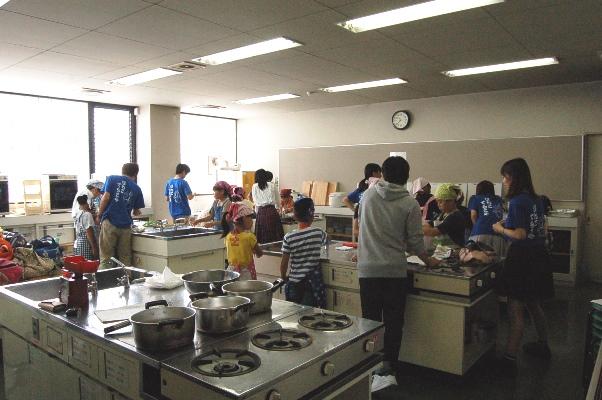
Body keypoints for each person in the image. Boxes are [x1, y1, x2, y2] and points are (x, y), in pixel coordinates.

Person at [358, 156, 440, 378]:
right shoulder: (409, 203)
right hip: (394, 272)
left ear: (384, 174)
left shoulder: (368, 196)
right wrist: (429, 260)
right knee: (393, 323)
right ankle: (388, 367)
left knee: (370, 321)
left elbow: (362, 228)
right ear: (406, 177)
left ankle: (370, 366)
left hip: (368, 270)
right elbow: (415, 242)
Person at [492, 158, 553, 376]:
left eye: (506, 176)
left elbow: (519, 234)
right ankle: (543, 345)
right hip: (539, 256)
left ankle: (509, 358)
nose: (504, 181)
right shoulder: (537, 199)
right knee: (534, 304)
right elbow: (537, 228)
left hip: (522, 259)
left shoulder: (517, 201)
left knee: (515, 308)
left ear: (514, 177)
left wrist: (499, 229)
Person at [280, 198, 327, 308]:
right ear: (312, 215)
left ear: (295, 216)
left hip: (294, 283)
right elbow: (327, 241)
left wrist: (283, 277)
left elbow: (284, 263)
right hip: (312, 283)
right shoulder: (318, 233)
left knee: (294, 313)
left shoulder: (289, 237)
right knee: (309, 313)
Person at [97, 163, 145, 268]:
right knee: (125, 257)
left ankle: (105, 278)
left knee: (106, 257)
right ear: (136, 174)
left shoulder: (112, 179)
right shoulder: (137, 188)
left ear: (122, 171)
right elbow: (136, 212)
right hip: (126, 227)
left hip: (110, 222)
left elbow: (105, 198)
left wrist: (99, 214)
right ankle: (126, 277)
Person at [221, 202, 263, 280]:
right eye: (250, 218)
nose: (252, 221)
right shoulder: (249, 237)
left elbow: (236, 249)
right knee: (247, 288)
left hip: (231, 272)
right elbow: (259, 254)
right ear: (244, 218)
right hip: (245, 273)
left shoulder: (228, 236)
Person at [468, 180, 506, 256]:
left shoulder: (475, 198)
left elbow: (473, 215)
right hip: (498, 235)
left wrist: (477, 226)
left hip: (479, 233)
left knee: (476, 260)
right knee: (496, 260)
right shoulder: (498, 199)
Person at [422, 183, 467, 248]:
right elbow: (429, 224)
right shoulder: (442, 214)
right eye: (437, 202)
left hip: (453, 251)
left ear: (451, 201)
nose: (438, 204)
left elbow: (433, 232)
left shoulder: (455, 217)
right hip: (443, 251)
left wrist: (416, 229)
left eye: (440, 202)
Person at [251, 169, 283, 243]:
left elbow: (255, 202)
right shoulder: (272, 185)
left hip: (261, 212)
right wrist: (278, 208)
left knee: (262, 235)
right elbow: (278, 200)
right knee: (274, 235)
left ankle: (264, 249)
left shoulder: (254, 186)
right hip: (272, 211)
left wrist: (257, 212)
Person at [73, 195, 98, 260]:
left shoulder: (78, 214)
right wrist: (94, 247)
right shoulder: (87, 215)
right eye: (87, 203)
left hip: (79, 244)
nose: (88, 205)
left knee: (82, 264)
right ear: (86, 203)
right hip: (86, 244)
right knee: (89, 264)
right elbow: (89, 232)